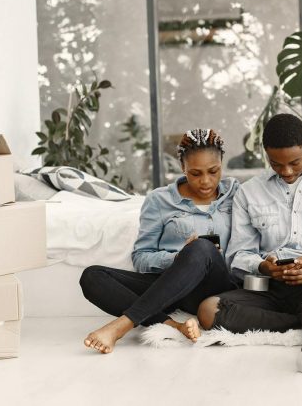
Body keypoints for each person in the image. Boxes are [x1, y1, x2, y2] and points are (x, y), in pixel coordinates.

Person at [196, 113, 302, 373]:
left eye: (295, 162)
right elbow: (237, 255)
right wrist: (264, 266)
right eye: (276, 164)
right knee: (208, 310)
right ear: (266, 153)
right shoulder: (249, 192)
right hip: (269, 289)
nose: (286, 171)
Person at [79, 128, 239, 354]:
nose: (205, 181)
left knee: (201, 248)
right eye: (195, 173)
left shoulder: (236, 194)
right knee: (92, 277)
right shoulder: (159, 200)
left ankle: (121, 326)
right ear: (182, 167)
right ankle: (174, 325)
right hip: (171, 288)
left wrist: (198, 253)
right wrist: (179, 257)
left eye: (213, 171)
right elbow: (141, 258)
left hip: (215, 287)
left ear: (222, 163)